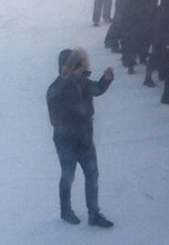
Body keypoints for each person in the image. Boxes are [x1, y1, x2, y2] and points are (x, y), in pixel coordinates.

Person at [46, 47, 115, 227]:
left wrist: (106, 80)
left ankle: (94, 214)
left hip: (85, 139)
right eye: (78, 67)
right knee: (68, 176)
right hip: (66, 142)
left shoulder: (82, 82)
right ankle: (65, 210)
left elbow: (96, 89)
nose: (82, 70)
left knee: (92, 174)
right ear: (68, 68)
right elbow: (55, 120)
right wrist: (76, 114)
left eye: (82, 67)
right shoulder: (55, 90)